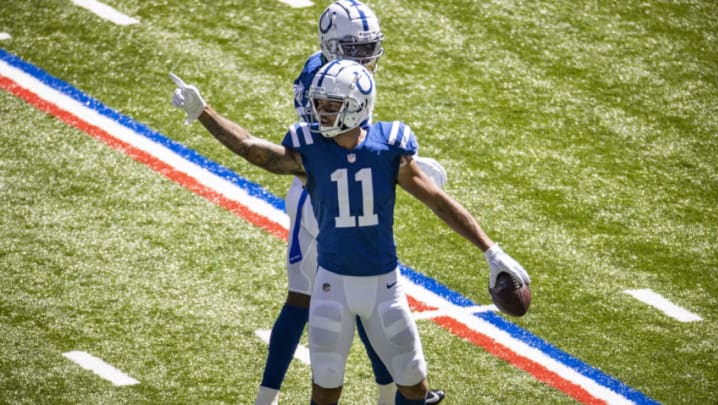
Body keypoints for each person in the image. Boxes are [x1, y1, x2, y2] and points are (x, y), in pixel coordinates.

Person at [169, 59, 530, 404]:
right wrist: (204, 113)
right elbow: (252, 150)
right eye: (319, 104)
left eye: (330, 104)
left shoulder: (389, 146)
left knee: (415, 385)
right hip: (332, 286)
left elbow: (438, 202)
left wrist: (491, 251)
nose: (320, 112)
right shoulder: (309, 151)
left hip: (385, 287)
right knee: (325, 392)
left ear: (357, 106)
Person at [258, 1, 445, 404]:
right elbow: (335, 143)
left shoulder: (330, 69)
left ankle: (386, 393)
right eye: (353, 48)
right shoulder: (322, 79)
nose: (364, 56)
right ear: (330, 44)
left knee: (356, 299)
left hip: (326, 188)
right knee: (333, 296)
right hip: (322, 196)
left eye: (368, 46)